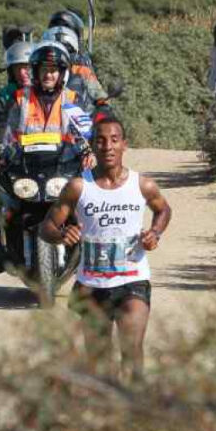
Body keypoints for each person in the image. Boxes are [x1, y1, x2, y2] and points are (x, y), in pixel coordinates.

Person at [41, 115, 172, 382]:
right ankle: (108, 415)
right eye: (100, 141)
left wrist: (155, 233)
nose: (108, 146)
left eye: (114, 140)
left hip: (133, 280)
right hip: (91, 286)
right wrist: (62, 233)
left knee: (132, 349)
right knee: (99, 363)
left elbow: (163, 209)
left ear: (124, 145)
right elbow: (47, 228)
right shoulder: (79, 187)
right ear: (92, 145)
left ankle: (136, 414)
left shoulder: (142, 185)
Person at [0, 41, 95, 274]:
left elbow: (87, 126)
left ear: (62, 73)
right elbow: (3, 123)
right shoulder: (19, 98)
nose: (49, 75)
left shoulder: (73, 98)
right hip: (26, 164)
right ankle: (1, 244)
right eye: (44, 70)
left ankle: (94, 245)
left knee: (90, 197)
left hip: (63, 164)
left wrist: (89, 148)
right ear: (36, 72)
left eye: (54, 70)